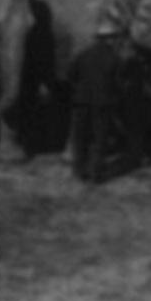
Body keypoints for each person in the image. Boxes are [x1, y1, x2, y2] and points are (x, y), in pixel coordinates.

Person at [67, 20, 122, 185]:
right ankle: (95, 174)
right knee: (100, 138)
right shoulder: (114, 58)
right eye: (115, 37)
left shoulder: (83, 54)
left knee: (80, 136)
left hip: (81, 101)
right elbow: (117, 84)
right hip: (102, 103)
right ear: (110, 38)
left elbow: (71, 76)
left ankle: (79, 170)